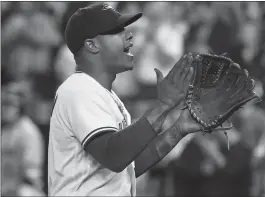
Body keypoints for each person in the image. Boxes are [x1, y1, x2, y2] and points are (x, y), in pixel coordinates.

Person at [48, 3, 202, 196]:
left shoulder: (106, 96)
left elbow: (130, 165)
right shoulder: (79, 91)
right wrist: (162, 107)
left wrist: (178, 130)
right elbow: (115, 157)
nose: (129, 36)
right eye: (115, 32)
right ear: (92, 45)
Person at [1, 76, 45, 196]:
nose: (5, 109)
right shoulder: (4, 131)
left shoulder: (28, 131)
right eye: (3, 104)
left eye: (10, 104)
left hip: (26, 190)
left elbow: (30, 176)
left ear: (20, 106)